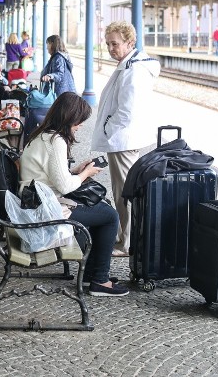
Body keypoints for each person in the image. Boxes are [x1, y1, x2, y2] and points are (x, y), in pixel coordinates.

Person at [20, 92, 129, 297]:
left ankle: (93, 273)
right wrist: (86, 173)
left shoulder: (42, 134)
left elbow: (53, 176)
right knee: (110, 216)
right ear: (69, 118)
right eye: (79, 121)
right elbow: (64, 186)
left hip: (36, 200)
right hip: (44, 210)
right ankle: (99, 280)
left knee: (102, 210)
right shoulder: (56, 141)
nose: (80, 126)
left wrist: (76, 171)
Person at [90, 21, 161, 257]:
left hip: (123, 141)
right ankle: (126, 238)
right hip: (122, 140)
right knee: (123, 191)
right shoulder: (129, 65)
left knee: (125, 194)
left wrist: (109, 129)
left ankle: (127, 242)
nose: (111, 48)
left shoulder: (134, 71)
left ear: (130, 42)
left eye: (115, 43)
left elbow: (127, 111)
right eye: (108, 43)